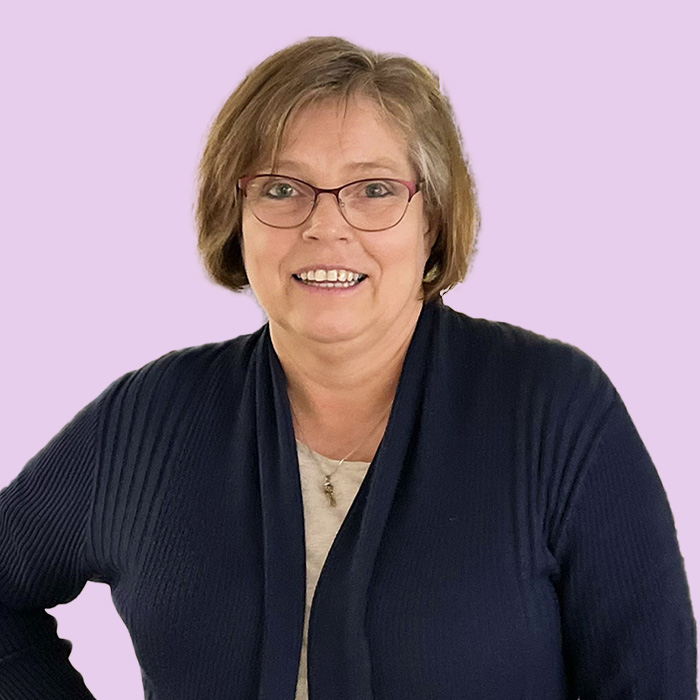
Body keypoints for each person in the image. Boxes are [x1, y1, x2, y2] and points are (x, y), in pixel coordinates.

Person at [0, 35, 696, 700]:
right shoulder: (149, 420)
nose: (325, 226)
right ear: (235, 216)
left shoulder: (554, 414)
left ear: (431, 220)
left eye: (374, 189)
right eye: (281, 189)